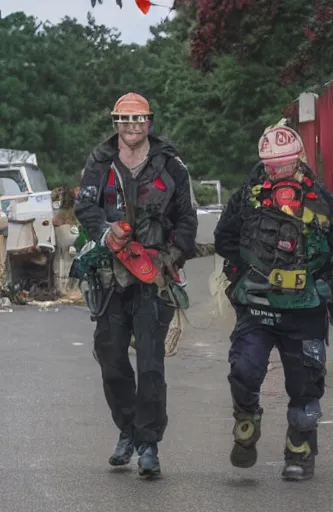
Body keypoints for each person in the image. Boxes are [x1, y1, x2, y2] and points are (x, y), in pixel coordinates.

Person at [214, 125, 333, 481]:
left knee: (306, 385)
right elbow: (224, 237)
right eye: (272, 166)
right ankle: (247, 422)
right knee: (244, 370)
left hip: (305, 308)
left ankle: (299, 450)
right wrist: (239, 275)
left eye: (286, 164)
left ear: (301, 159)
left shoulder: (321, 201)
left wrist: (330, 289)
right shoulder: (247, 197)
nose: (279, 172)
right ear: (263, 164)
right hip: (257, 304)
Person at [74, 92, 198, 477]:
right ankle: (127, 430)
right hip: (109, 279)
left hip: (154, 281)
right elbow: (85, 206)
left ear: (150, 122)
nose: (132, 126)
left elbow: (188, 220)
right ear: (115, 123)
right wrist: (104, 232)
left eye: (139, 119)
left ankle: (148, 445)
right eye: (125, 120)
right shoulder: (99, 162)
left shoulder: (171, 165)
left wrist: (170, 258)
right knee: (110, 361)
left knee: (151, 366)